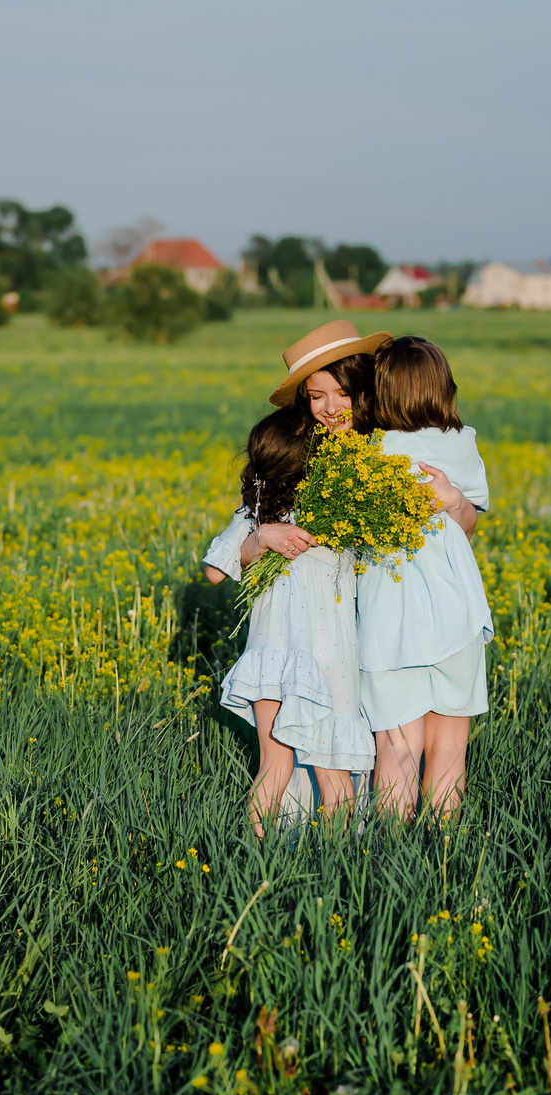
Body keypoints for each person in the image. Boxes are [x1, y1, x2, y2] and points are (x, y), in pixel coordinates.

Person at [200, 321, 390, 829]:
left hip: (302, 646)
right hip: (309, 646)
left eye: (342, 394)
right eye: (316, 396)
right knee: (318, 766)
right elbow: (220, 566)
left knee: (299, 768)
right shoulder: (292, 474)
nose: (330, 407)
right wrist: (264, 537)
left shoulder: (370, 463)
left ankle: (270, 856)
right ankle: (321, 860)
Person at [351, 335, 490, 820]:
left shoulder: (368, 450)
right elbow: (467, 526)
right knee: (450, 746)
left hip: (390, 618)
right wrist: (453, 500)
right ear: (442, 388)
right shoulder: (462, 442)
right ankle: (444, 849)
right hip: (456, 614)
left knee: (397, 746)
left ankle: (393, 850)